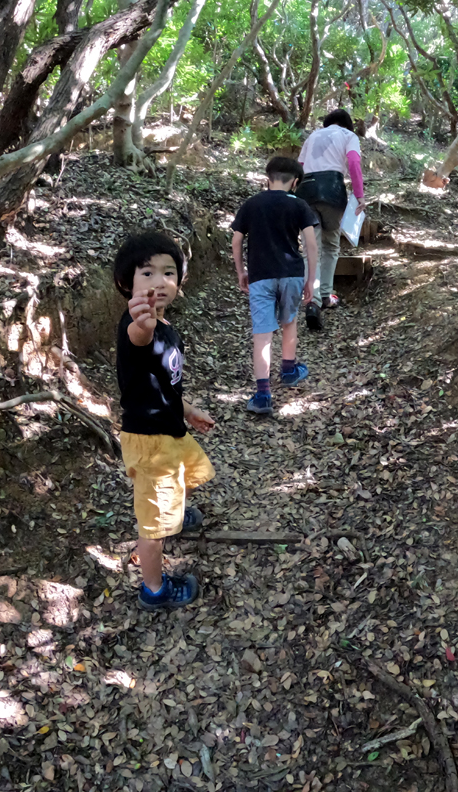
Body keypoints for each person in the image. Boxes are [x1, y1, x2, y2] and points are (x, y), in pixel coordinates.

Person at [113, 230, 216, 611]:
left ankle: (177, 510)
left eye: (168, 273)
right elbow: (139, 337)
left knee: (181, 470)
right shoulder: (140, 325)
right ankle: (154, 590)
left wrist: (187, 409)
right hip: (150, 440)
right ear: (127, 283)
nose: (160, 282)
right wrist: (143, 322)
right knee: (153, 528)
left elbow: (161, 378)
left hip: (169, 427)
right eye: (147, 273)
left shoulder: (167, 326)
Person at [231, 155, 320, 415]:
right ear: (295, 182)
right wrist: (310, 280)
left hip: (260, 275)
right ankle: (289, 370)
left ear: (267, 179)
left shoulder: (252, 204)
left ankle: (262, 395)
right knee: (289, 322)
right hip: (291, 273)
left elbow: (236, 240)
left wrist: (240, 271)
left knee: (263, 334)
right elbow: (311, 245)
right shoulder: (300, 205)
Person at [297, 108, 366, 329]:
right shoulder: (348, 136)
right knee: (330, 244)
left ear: (328, 123)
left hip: (306, 190)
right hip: (333, 190)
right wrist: (359, 195)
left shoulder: (313, 135)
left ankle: (311, 300)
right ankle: (325, 295)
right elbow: (354, 162)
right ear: (347, 124)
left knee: (310, 248)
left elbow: (299, 168)